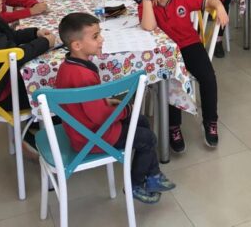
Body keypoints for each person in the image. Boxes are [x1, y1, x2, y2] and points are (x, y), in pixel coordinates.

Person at [55, 13, 175, 204]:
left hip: (81, 128)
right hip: (92, 137)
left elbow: (81, 103)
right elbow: (101, 117)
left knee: (142, 121)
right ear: (77, 45)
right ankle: (135, 184)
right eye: (95, 36)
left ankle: (153, 175)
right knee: (147, 138)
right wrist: (127, 109)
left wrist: (105, 102)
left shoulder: (67, 66)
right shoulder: (84, 76)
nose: (101, 39)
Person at [139, 0, 228, 153]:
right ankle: (174, 127)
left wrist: (219, 6)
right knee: (170, 79)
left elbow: (210, 0)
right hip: (167, 51)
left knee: (208, 77)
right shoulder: (148, 3)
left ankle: (210, 121)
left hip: (190, 45)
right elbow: (148, 26)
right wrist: (147, 2)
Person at [0, 0, 56, 113]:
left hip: (7, 82)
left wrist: (35, 33)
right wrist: (45, 42)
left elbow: (10, 36)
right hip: (5, 95)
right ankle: (49, 122)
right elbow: (15, 56)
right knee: (55, 88)